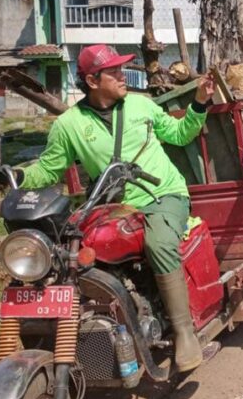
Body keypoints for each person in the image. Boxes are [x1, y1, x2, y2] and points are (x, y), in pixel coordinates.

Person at [17, 44, 215, 372]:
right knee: (68, 248)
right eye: (115, 71)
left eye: (122, 69)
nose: (123, 76)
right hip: (114, 205)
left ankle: (184, 332)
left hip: (162, 195)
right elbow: (49, 169)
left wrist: (200, 102)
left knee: (160, 243)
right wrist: (18, 175)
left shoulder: (141, 105)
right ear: (93, 81)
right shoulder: (68, 124)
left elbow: (180, 135)